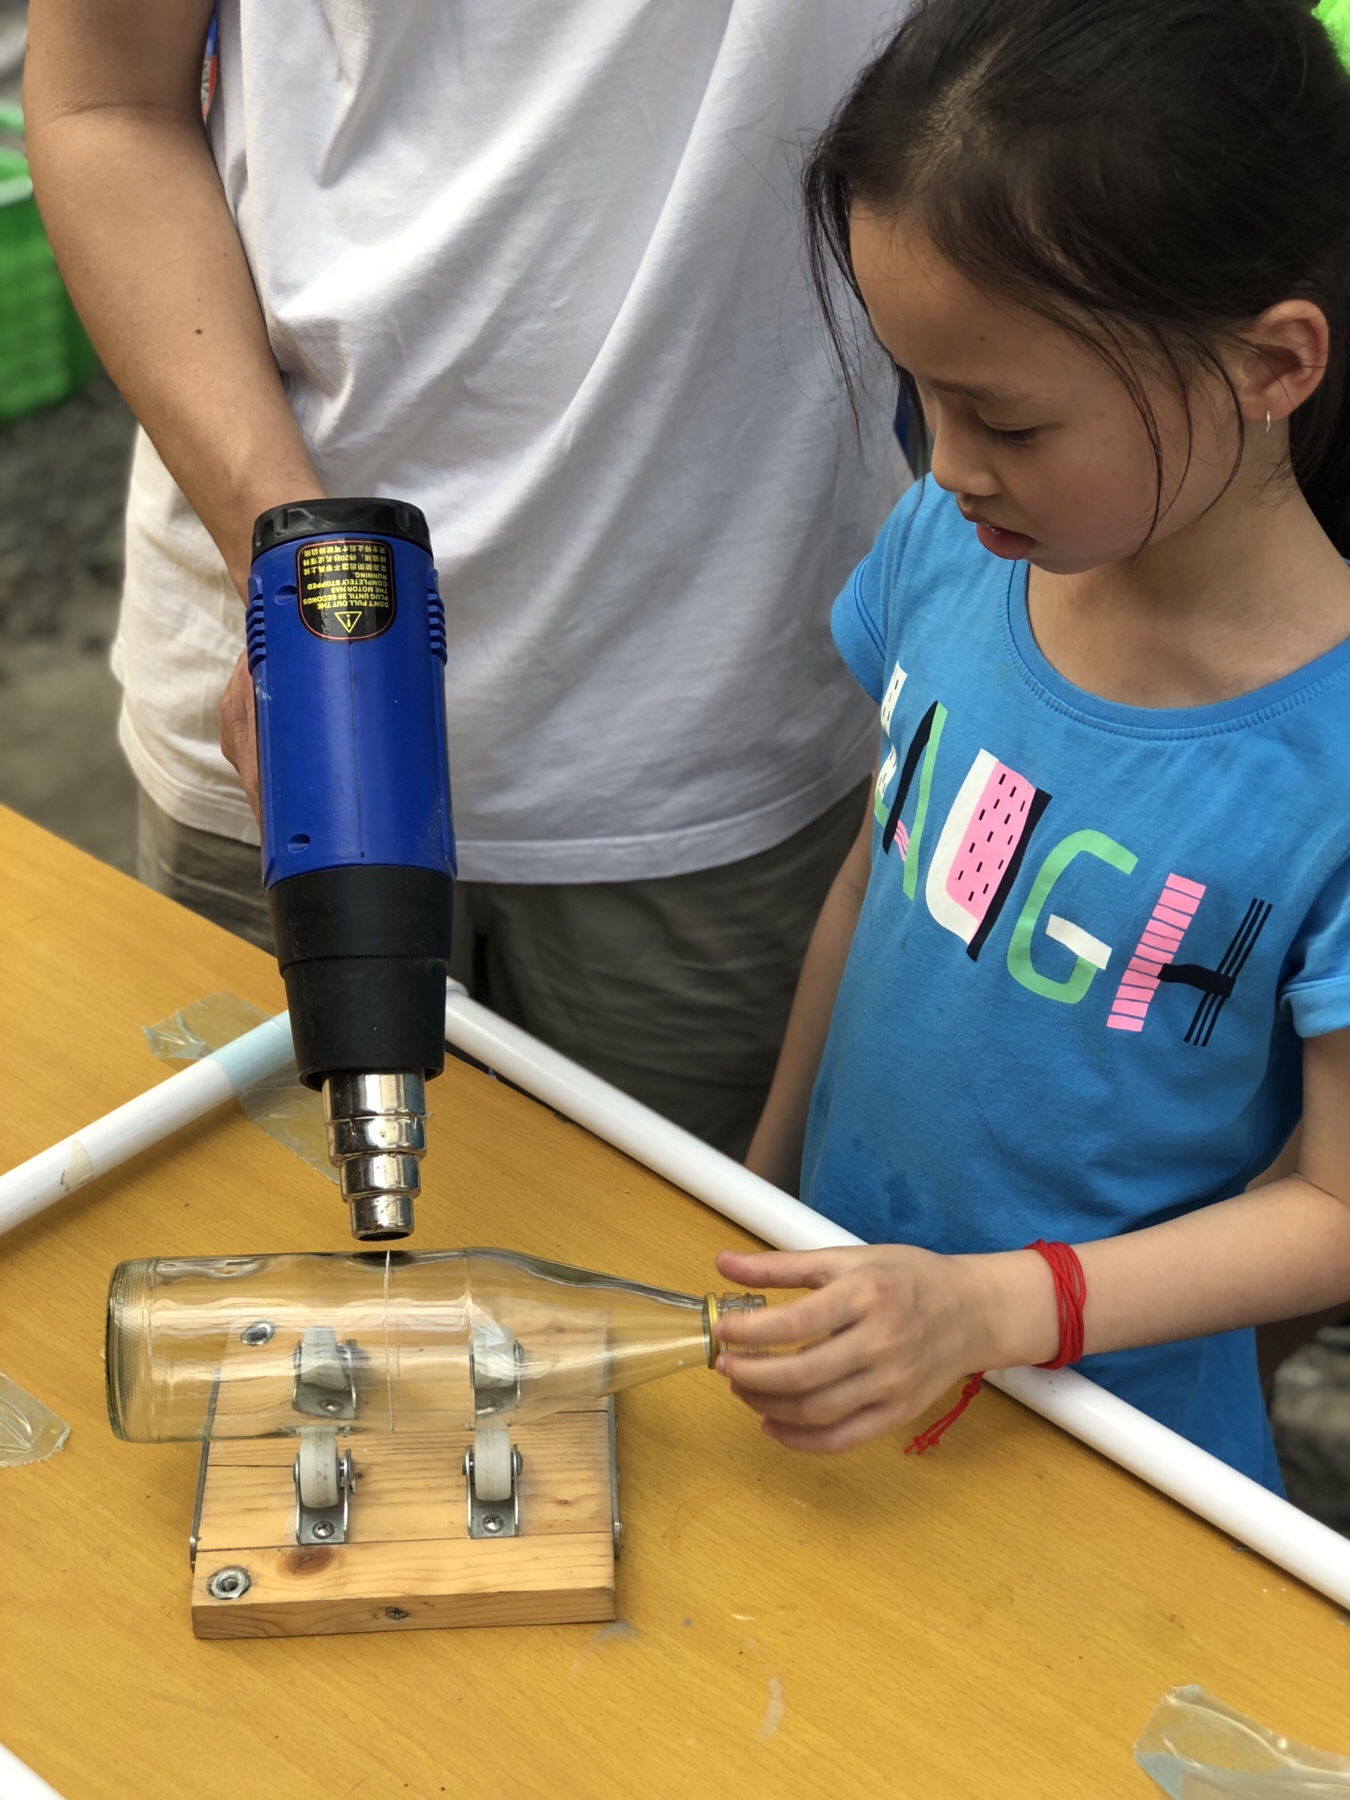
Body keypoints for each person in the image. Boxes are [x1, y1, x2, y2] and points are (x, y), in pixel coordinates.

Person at [23, 0, 913, 1158]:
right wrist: (295, 574)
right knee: (258, 1231)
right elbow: (106, 99)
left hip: (717, 718)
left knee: (647, 1249)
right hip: (273, 730)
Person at [712, 0, 1350, 1488]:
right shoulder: (953, 548)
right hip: (847, 1361)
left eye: (1005, 421)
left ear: (1271, 364)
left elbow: (1333, 1206)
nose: (943, 463)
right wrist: (756, 1181)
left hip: (1109, 1450)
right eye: (917, 391)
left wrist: (994, 1309)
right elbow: (876, 882)